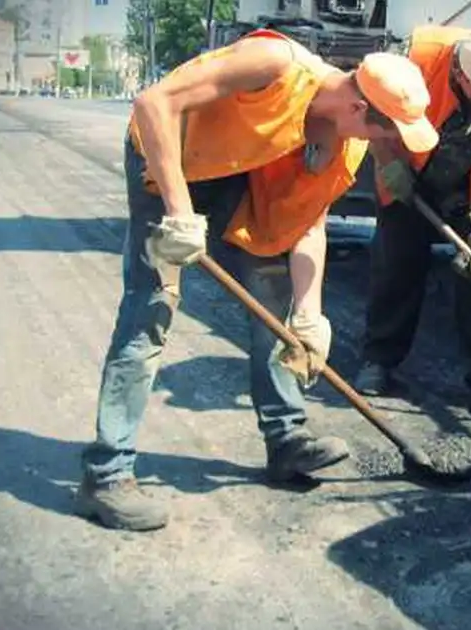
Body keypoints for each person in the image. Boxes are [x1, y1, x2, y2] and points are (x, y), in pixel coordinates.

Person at [75, 29, 438, 532]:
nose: (385, 143)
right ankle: (106, 475)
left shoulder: (346, 146)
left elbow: (306, 223)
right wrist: (180, 215)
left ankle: (286, 441)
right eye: (385, 130)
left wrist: (310, 318)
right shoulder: (273, 64)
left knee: (274, 295)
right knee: (152, 307)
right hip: (169, 159)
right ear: (357, 109)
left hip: (242, 172)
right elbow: (152, 103)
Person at [352, 26, 471, 421]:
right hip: (407, 176)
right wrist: (389, 163)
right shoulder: (417, 57)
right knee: (397, 266)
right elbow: (373, 111)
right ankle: (379, 360)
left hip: (470, 190)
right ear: (461, 76)